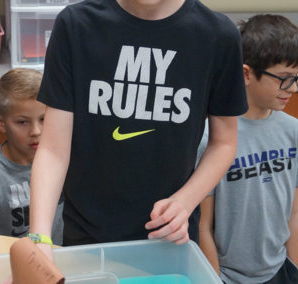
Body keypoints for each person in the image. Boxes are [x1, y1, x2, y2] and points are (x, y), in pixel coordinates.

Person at [29, 0, 248, 256]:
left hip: (170, 237)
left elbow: (223, 144)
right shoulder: (76, 24)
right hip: (89, 238)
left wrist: (185, 201)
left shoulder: (217, 36)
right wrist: (39, 237)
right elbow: (53, 150)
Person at [199, 14, 298, 284]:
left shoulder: (293, 131)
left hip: (281, 271)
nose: (294, 87)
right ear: (246, 74)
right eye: (284, 78)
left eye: (297, 77)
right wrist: (213, 279)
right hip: (226, 277)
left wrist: (294, 267)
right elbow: (202, 226)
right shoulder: (211, 139)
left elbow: (294, 211)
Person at [0, 68, 64, 244]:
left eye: (43, 119)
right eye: (22, 122)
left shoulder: (61, 162)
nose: (36, 131)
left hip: (57, 260)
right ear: (1, 123)